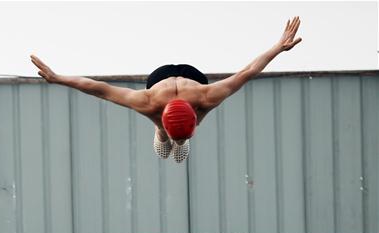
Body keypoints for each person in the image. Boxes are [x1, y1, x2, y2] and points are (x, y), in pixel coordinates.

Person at [30, 16, 302, 163]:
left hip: (189, 82)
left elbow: (99, 88)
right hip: (162, 85)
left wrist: (279, 47)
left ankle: (177, 139)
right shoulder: (149, 103)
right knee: (164, 144)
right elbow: (98, 88)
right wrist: (57, 77)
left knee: (180, 146)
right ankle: (162, 133)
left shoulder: (205, 98)